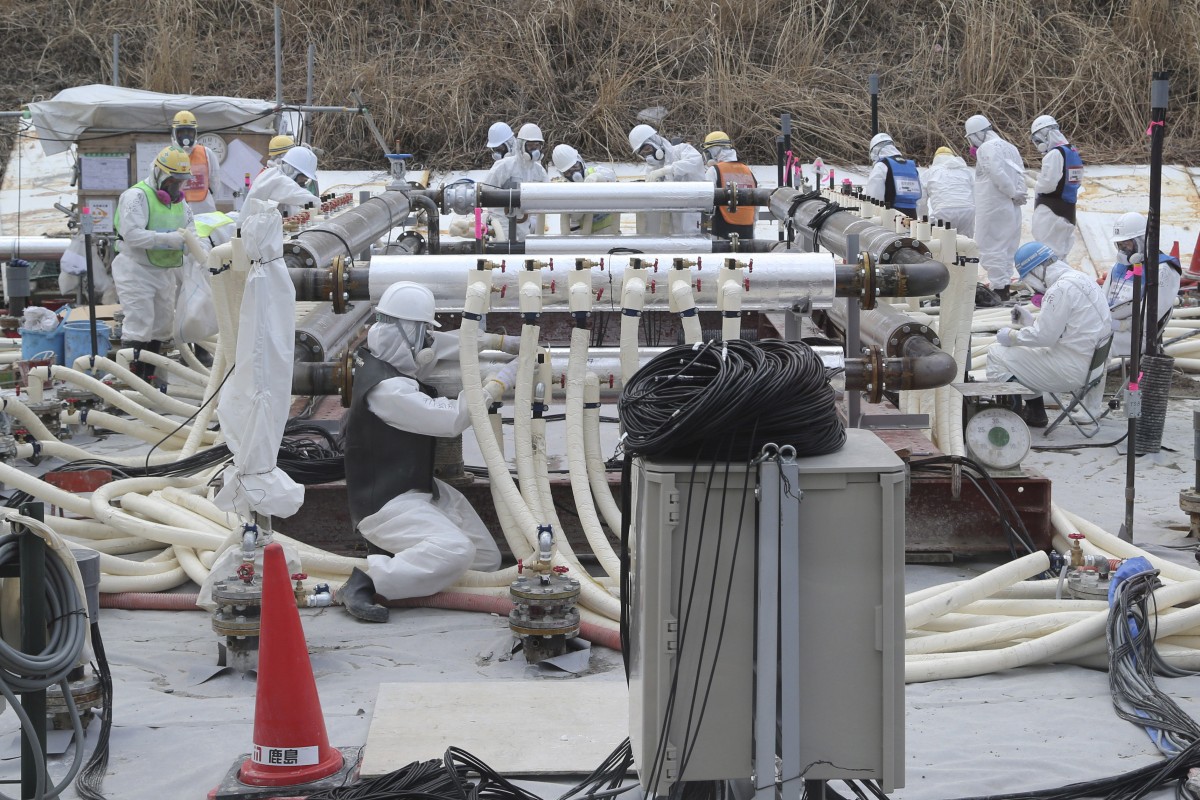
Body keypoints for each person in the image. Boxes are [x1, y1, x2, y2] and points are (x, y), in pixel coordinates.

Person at [337, 281, 521, 622]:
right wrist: (496, 384)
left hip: (419, 488)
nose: (427, 342)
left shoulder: (383, 356)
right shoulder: (389, 391)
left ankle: (415, 565)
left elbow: (437, 348)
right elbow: (452, 419)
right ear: (409, 334)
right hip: (388, 506)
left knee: (484, 560)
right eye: (423, 333)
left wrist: (495, 342)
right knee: (455, 550)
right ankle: (367, 581)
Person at [986, 242, 1111, 427]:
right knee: (1027, 353)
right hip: (1094, 367)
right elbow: (1066, 330)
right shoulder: (1081, 279)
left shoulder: (1059, 289)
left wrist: (1012, 336)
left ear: (1037, 271)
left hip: (1072, 371)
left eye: (1029, 280)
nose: (1033, 288)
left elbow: (1044, 338)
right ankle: (1034, 411)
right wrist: (1030, 323)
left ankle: (1014, 419)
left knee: (996, 353)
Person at [110, 145, 195, 381]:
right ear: (159, 174)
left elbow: (192, 233)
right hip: (135, 269)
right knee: (139, 322)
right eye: (172, 181)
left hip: (164, 271)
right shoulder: (136, 197)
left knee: (162, 326)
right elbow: (133, 235)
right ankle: (130, 382)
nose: (176, 187)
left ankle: (148, 378)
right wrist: (169, 239)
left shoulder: (181, 203)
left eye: (180, 182)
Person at [965, 114, 1028, 299]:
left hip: (994, 205)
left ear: (976, 135)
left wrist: (1011, 192)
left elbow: (996, 172)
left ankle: (999, 289)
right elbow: (1020, 173)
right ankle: (1004, 285)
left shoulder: (986, 148)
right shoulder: (1011, 147)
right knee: (1007, 246)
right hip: (1012, 206)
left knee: (990, 246)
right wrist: (1018, 194)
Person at [1104, 211, 1183, 357]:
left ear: (1142, 241)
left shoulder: (1162, 269)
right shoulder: (1118, 267)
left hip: (1138, 336)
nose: (1123, 250)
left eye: (1126, 243)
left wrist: (1122, 325)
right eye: (1119, 245)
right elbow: (1102, 300)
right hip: (1112, 328)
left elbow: (1150, 316)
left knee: (1093, 343)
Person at [628, 124, 705, 235]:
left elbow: (694, 162)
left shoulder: (681, 150)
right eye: (643, 153)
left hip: (693, 215)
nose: (648, 155)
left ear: (656, 141)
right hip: (673, 221)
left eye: (648, 149)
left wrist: (667, 170)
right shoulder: (653, 169)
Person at [481, 122, 548, 241]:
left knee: (526, 252)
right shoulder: (504, 166)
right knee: (505, 251)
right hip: (503, 221)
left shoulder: (539, 171)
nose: (534, 150)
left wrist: (535, 218)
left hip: (526, 222)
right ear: (521, 145)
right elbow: (486, 192)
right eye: (530, 146)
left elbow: (548, 197)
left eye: (537, 146)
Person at [1031, 115, 1083, 261]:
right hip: (1067, 211)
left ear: (1045, 134)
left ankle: (1051, 284)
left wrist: (1034, 183)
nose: (1038, 144)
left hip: (1051, 212)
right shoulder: (1072, 151)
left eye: (1037, 139)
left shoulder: (1054, 154)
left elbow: (1048, 184)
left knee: (1048, 256)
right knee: (1060, 255)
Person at [550, 144, 620, 236]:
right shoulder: (568, 191)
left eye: (575, 167)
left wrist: (597, 177)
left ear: (581, 162)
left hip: (610, 230)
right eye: (568, 172)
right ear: (563, 175)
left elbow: (611, 176)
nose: (574, 174)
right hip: (587, 235)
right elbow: (574, 220)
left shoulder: (594, 172)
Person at [702, 131, 758, 240]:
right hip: (747, 233)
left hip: (721, 234)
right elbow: (757, 204)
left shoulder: (713, 171)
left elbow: (706, 204)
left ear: (713, 152)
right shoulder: (747, 170)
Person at [916, 146, 975, 236]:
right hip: (967, 211)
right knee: (965, 246)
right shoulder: (965, 171)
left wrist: (924, 218)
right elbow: (974, 193)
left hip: (943, 212)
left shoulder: (930, 173)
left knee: (941, 244)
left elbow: (921, 200)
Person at [170, 110, 221, 214]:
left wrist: (209, 200)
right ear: (175, 133)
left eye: (189, 132)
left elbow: (215, 182)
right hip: (177, 211)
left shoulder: (207, 153)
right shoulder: (167, 155)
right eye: (181, 132)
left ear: (195, 133)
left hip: (204, 210)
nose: (186, 136)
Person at [864, 132, 921, 219]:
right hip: (913, 217)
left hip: (890, 216)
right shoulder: (911, 166)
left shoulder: (882, 166)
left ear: (874, 151)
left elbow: (874, 196)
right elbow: (921, 197)